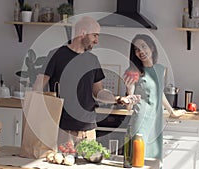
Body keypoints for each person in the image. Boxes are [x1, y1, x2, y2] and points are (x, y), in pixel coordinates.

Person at [33, 16, 140, 145]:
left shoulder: (92, 60)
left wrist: (119, 99)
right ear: (83, 33)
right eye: (95, 35)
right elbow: (37, 88)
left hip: (88, 129)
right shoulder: (56, 55)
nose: (97, 41)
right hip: (63, 128)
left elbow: (98, 92)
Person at [124, 34, 185, 166]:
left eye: (143, 46)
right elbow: (129, 107)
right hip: (140, 122)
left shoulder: (160, 69)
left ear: (151, 47)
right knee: (138, 161)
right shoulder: (133, 72)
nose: (140, 51)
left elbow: (159, 93)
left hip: (156, 123)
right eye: (136, 49)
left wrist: (171, 111)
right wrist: (129, 90)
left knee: (154, 163)